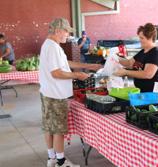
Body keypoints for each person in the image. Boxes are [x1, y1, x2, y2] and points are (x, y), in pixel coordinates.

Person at [39, 18, 101, 167]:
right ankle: (61, 162)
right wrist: (77, 75)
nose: (68, 34)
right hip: (56, 94)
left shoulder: (51, 45)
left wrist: (89, 66)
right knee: (58, 130)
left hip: (48, 92)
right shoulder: (53, 47)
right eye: (66, 31)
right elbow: (57, 73)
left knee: (49, 127)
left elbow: (66, 64)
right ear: (58, 30)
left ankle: (51, 158)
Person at [114, 23, 158, 92]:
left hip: (155, 94)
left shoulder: (156, 53)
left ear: (150, 38)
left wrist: (126, 72)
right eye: (139, 37)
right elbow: (129, 63)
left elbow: (147, 74)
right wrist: (115, 58)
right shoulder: (143, 51)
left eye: (142, 38)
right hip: (143, 92)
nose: (140, 40)